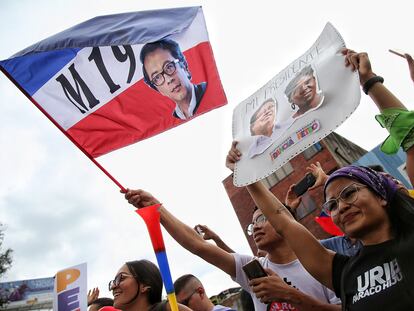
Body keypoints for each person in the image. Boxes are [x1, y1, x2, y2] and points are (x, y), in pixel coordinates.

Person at [124, 188, 341, 311]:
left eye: (263, 219)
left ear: (284, 220)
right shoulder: (253, 268)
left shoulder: (323, 262)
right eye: (252, 223)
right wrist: (157, 208)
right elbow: (198, 245)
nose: (255, 226)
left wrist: (289, 295)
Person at [284, 162, 362, 256]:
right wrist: (288, 210)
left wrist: (326, 179)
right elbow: (301, 246)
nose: (341, 207)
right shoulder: (338, 247)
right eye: (332, 206)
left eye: (349, 194)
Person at [140, 38, 207, 120]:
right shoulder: (171, 122)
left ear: (184, 66)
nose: (168, 80)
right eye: (157, 77)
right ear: (158, 90)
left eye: (169, 67)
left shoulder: (210, 90)